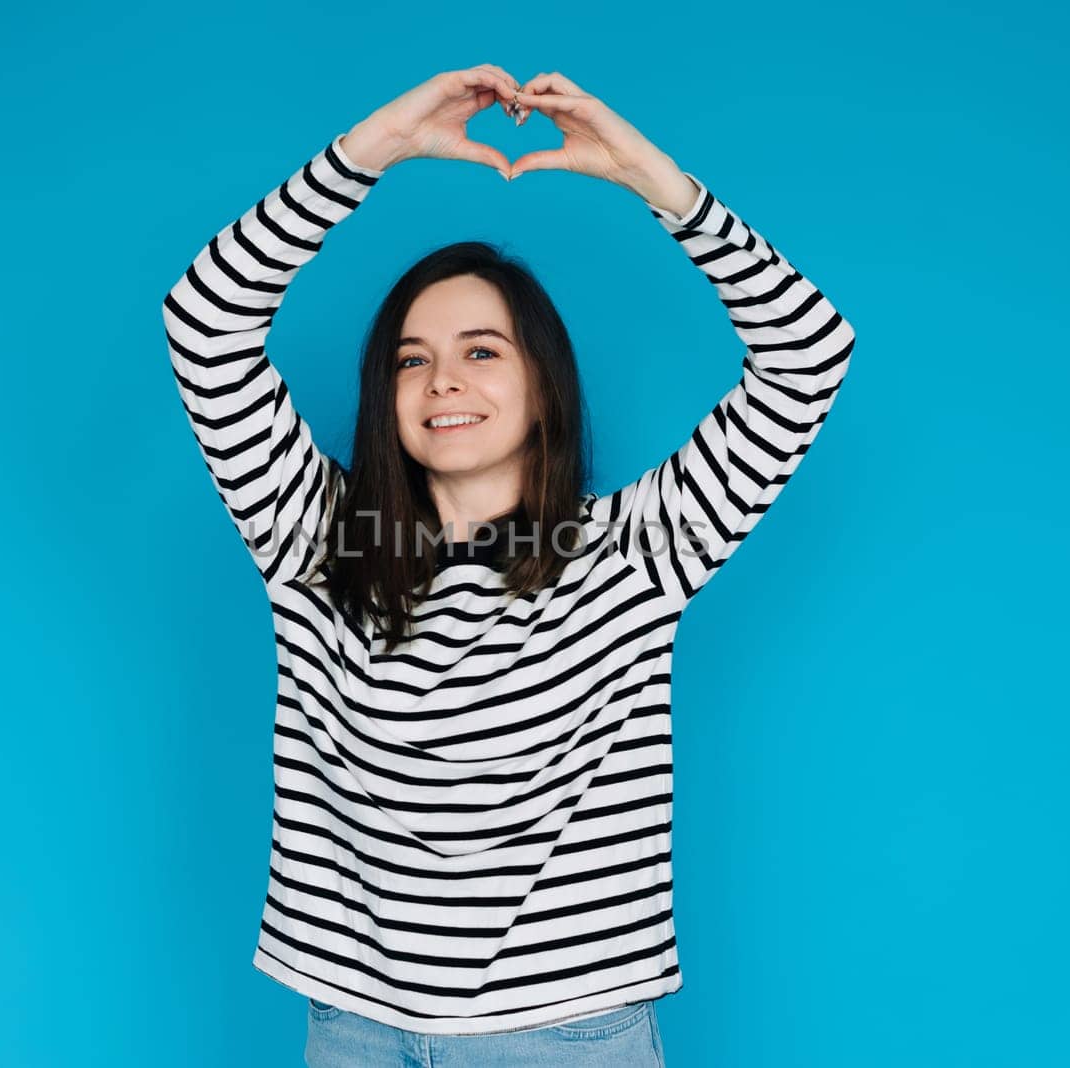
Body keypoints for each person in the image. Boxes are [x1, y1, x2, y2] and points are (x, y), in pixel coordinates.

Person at [161, 63, 855, 1067]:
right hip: (355, 1027)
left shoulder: (634, 549)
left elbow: (806, 354)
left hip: (567, 1034)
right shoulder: (315, 536)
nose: (443, 378)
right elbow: (204, 323)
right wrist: (370, 153)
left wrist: (655, 183)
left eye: (482, 351)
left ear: (543, 382)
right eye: (411, 357)